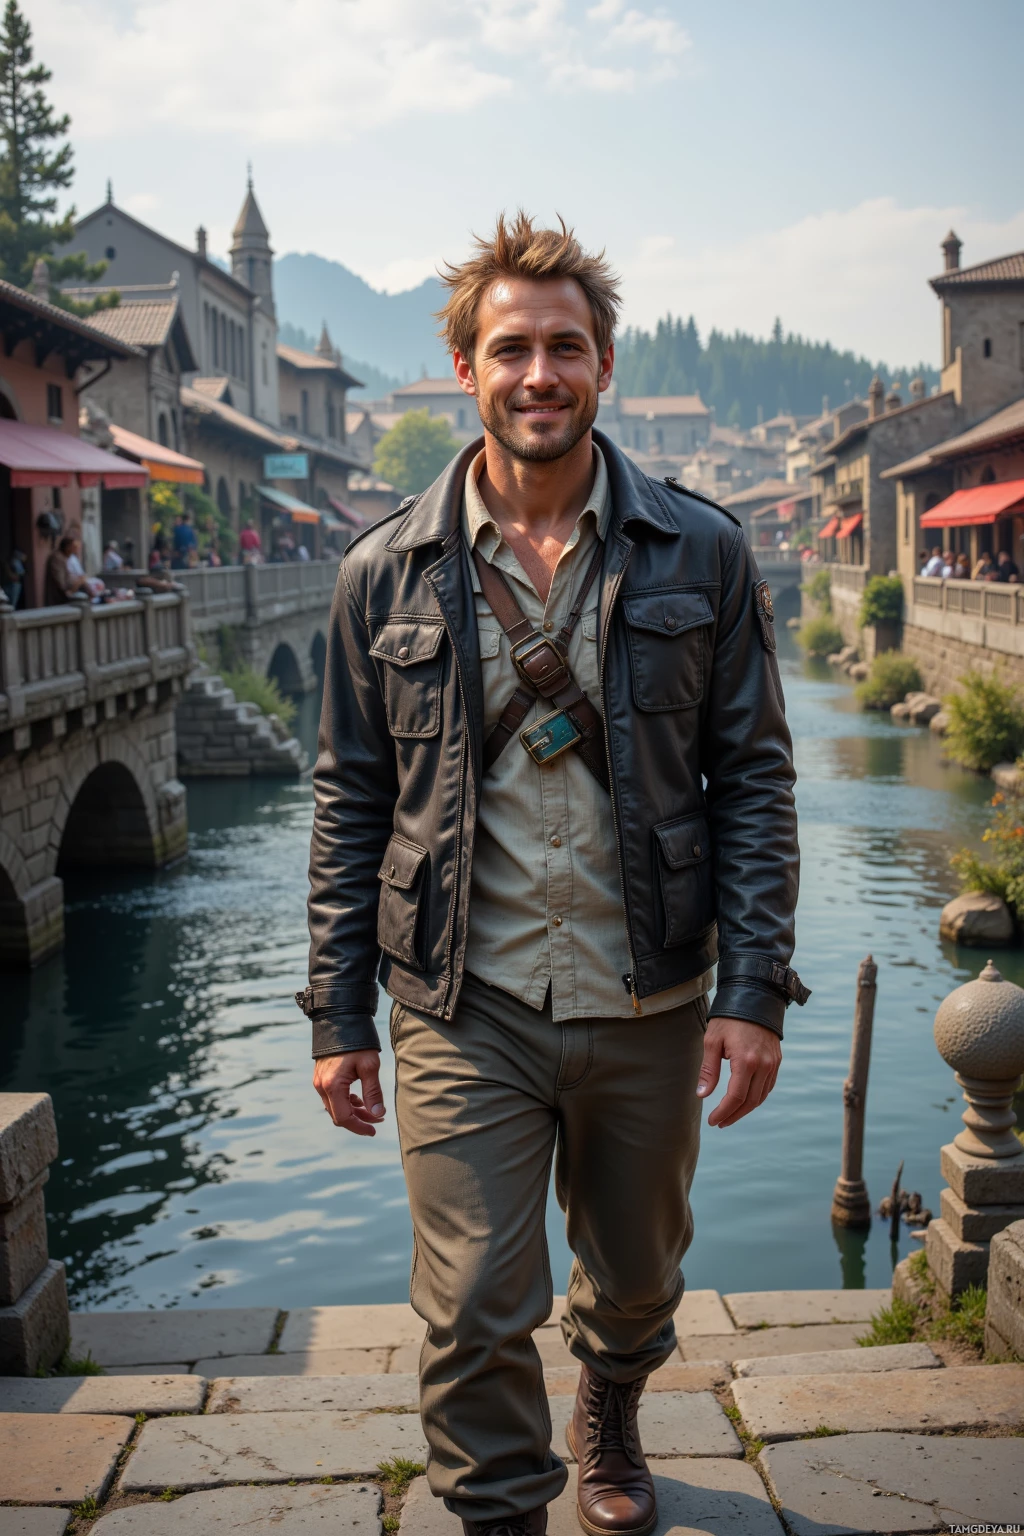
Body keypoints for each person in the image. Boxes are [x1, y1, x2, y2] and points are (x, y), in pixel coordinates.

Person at [303, 213, 806, 1536]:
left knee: (637, 1278)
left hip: (650, 993)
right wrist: (335, 1015)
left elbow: (754, 774)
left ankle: (615, 1397)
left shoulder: (704, 551)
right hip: (461, 997)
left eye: (565, 347)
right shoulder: (382, 571)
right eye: (511, 347)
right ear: (466, 368)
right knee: (471, 1303)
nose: (540, 373)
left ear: (606, 363)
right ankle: (500, 1515)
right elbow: (351, 798)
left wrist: (753, 990)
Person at [45, 535, 90, 605]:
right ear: (67, 547)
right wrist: (78, 582)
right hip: (61, 600)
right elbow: (62, 585)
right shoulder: (58, 559)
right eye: (74, 547)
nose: (76, 550)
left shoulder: (65, 558)